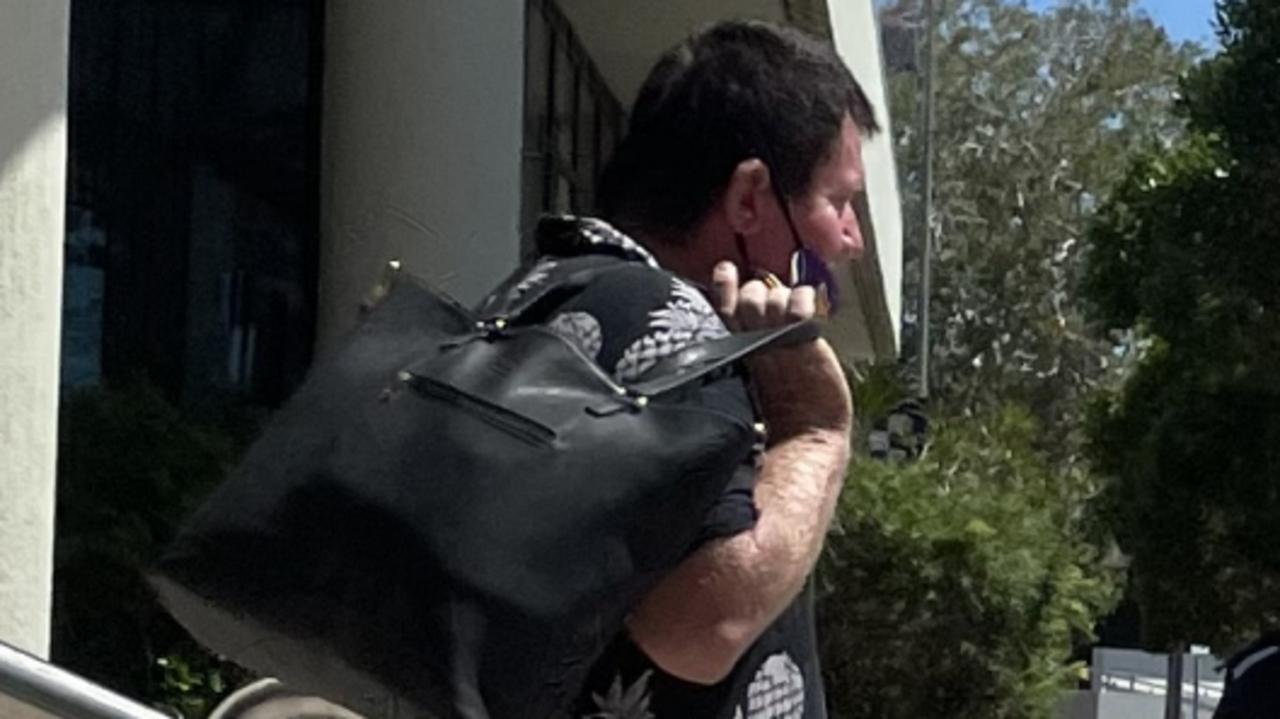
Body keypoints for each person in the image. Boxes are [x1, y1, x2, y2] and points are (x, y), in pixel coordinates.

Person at [479, 19, 880, 718]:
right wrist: (816, 429)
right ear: (751, 197)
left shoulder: (548, 291)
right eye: (837, 201)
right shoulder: (672, 327)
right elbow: (705, 625)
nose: (852, 238)